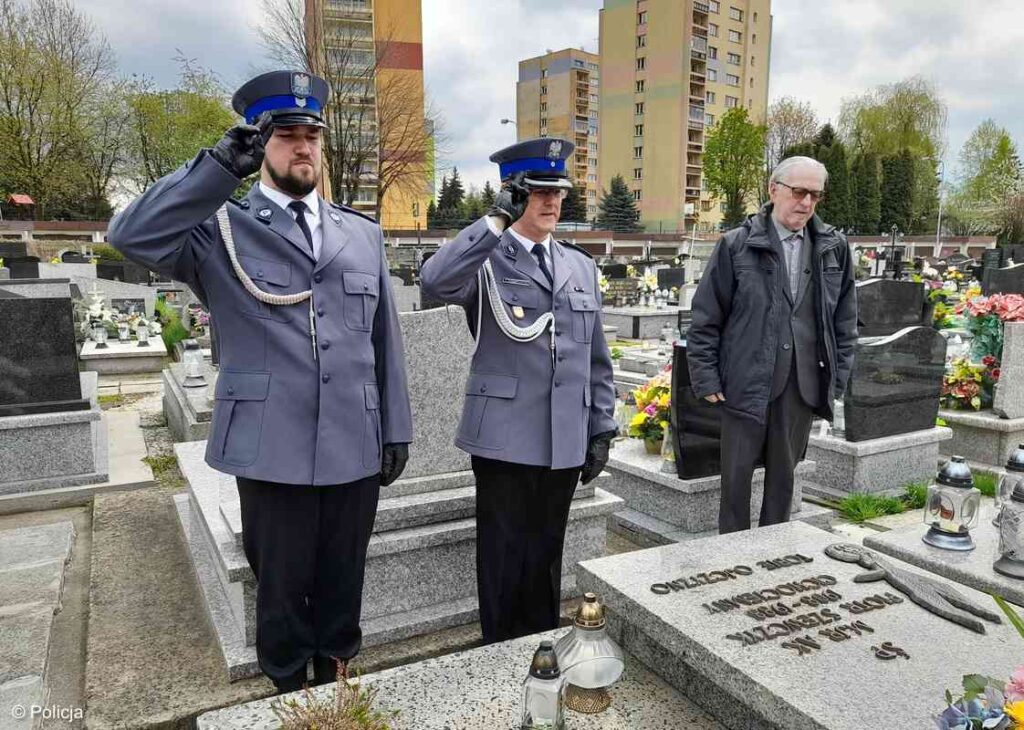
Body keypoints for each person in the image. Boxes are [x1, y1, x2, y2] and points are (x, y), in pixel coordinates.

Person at [108, 70, 413, 692]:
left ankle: (335, 690)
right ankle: (286, 697)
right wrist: (219, 168)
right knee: (280, 594)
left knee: (343, 585)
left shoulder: (360, 232)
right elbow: (129, 236)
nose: (303, 147)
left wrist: (396, 429)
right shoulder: (218, 228)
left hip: (355, 443)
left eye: (312, 135)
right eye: (287, 135)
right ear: (262, 143)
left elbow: (384, 339)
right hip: (273, 447)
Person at [420, 138, 617, 644]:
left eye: (558, 191)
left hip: (563, 437)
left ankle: (540, 648)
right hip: (505, 438)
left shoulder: (580, 266)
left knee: (547, 553)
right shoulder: (486, 257)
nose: (551, 202)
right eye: (537, 192)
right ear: (512, 194)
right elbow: (434, 282)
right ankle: (499, 653)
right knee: (504, 554)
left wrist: (601, 426)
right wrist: (491, 224)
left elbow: (595, 356)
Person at [686, 156, 857, 534]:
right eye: (799, 192)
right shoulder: (736, 245)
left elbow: (845, 319)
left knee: (783, 480)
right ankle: (732, 553)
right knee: (735, 480)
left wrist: (838, 378)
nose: (807, 203)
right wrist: (706, 378)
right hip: (744, 380)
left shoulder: (833, 247)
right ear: (773, 190)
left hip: (801, 384)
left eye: (815, 195)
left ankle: (774, 552)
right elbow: (705, 317)